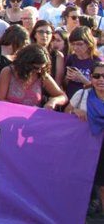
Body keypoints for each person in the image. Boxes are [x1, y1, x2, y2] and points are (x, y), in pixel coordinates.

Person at [64, 61, 104, 216]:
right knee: (80, 182)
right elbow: (65, 115)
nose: (101, 79)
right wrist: (75, 110)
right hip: (85, 148)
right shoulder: (82, 95)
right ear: (91, 78)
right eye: (96, 76)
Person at [0, 44, 67, 109]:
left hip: (32, 119)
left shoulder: (42, 75)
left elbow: (63, 96)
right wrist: (22, 110)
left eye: (42, 68)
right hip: (9, 114)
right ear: (26, 64)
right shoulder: (8, 72)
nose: (39, 71)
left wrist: (53, 101)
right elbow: (0, 99)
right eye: (36, 68)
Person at [65, 26, 102, 99]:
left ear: (89, 44)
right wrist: (67, 78)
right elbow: (63, 83)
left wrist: (82, 78)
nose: (75, 48)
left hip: (88, 100)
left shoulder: (97, 61)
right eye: (73, 44)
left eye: (80, 44)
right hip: (70, 99)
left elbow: (100, 88)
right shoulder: (70, 58)